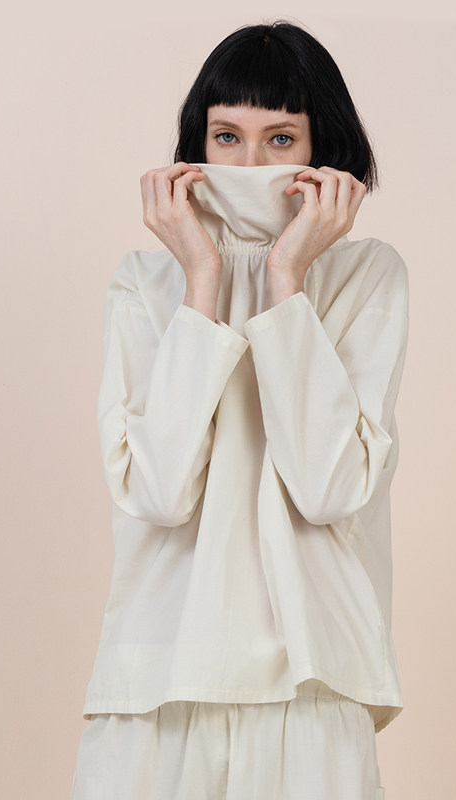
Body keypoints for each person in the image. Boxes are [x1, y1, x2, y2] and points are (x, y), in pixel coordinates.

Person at [70, 20, 409, 800]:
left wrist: (287, 278)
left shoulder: (367, 276)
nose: (250, 165)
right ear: (197, 146)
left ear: (322, 151)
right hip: (156, 679)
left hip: (313, 678)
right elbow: (159, 494)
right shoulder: (144, 283)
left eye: (280, 139)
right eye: (227, 137)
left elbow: (328, 489)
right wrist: (202, 278)